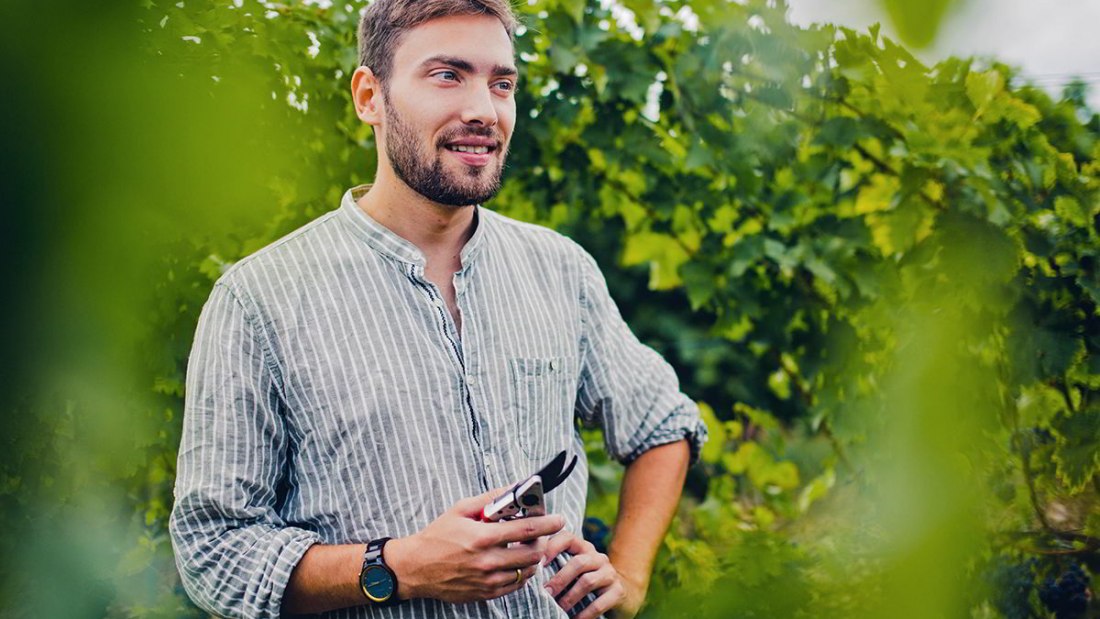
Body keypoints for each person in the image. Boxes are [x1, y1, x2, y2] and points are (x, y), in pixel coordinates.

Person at [169, 1, 707, 617]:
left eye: (500, 83)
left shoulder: (560, 270)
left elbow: (663, 425)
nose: (483, 109)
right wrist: (396, 567)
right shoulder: (258, 300)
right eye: (447, 75)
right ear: (370, 96)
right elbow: (213, 553)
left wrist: (629, 577)